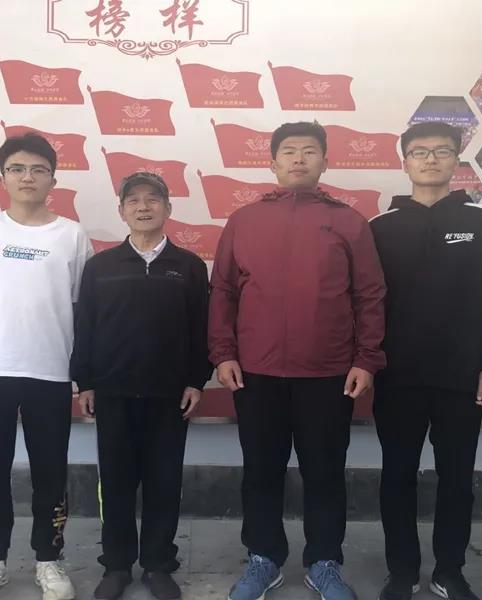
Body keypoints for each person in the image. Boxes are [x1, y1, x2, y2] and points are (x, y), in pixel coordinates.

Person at [209, 121, 386, 600]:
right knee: (261, 470)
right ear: (272, 161)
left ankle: (324, 562)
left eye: (310, 151)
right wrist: (223, 353)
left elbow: (369, 294)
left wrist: (366, 359)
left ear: (325, 161)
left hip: (328, 373)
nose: (299, 159)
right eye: (289, 151)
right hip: (256, 372)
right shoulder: (244, 221)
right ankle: (263, 559)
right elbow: (222, 291)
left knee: (324, 473)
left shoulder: (348, 222)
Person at [368, 122, 482, 600]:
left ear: (457, 160)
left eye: (442, 151)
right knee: (397, 476)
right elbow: (367, 304)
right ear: (404, 161)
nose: (430, 159)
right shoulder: (379, 227)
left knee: (457, 479)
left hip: (463, 376)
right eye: (419, 152)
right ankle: (402, 571)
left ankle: (449, 570)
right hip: (398, 376)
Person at [0, 133, 93, 600]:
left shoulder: (72, 234)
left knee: (50, 471)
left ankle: (49, 560)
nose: (27, 177)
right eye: (17, 168)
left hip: (49, 371)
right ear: (2, 176)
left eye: (37, 169)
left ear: (53, 178)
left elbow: (80, 305)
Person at [71, 171, 212, 600]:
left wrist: (196, 380)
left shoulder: (188, 266)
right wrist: (85, 382)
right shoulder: (100, 267)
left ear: (168, 208)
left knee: (164, 482)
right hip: (112, 393)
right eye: (133, 200)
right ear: (122, 211)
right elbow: (85, 327)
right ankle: (116, 565)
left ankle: (158, 564)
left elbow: (201, 329)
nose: (144, 207)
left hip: (170, 395)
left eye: (153, 199)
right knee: (115, 483)